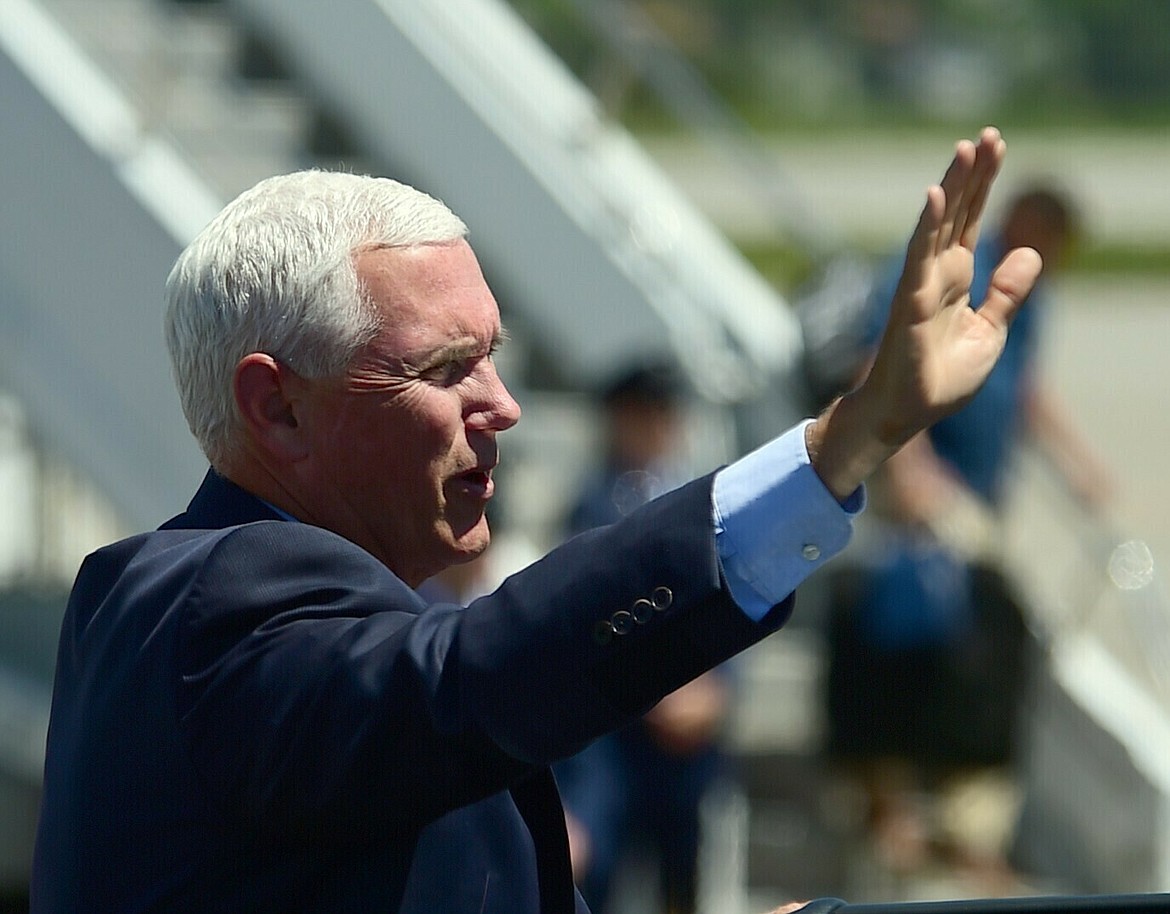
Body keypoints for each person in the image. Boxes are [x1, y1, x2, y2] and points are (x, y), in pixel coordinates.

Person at [31, 127, 1041, 913]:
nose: (503, 402)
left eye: (494, 354)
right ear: (277, 405)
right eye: (444, 367)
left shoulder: (227, 621)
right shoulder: (216, 602)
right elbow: (477, 675)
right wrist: (840, 446)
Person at [824, 184, 1111, 880]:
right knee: (908, 636)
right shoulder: (953, 267)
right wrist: (911, 468)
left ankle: (963, 821)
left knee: (978, 643)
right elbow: (878, 363)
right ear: (1028, 222)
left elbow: (1022, 384)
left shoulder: (1026, 291)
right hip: (922, 498)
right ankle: (893, 806)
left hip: (977, 498)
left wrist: (1079, 464)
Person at [554, 361, 734, 913]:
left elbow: (727, 601)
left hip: (688, 731)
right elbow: (581, 616)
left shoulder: (699, 499)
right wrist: (652, 693)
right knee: (603, 870)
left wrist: (719, 690)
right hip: (618, 731)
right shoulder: (593, 507)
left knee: (682, 875)